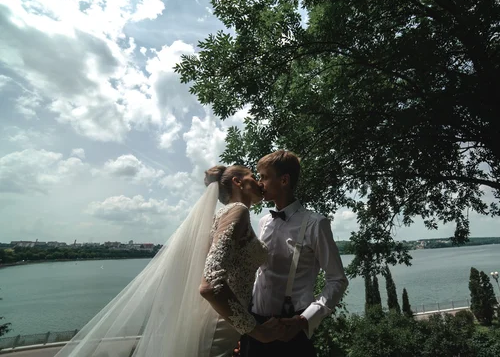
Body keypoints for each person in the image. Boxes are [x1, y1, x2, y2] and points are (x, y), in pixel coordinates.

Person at [54, 164, 284, 357]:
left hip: (224, 324)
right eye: (254, 177)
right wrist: (257, 331)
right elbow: (210, 284)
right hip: (219, 325)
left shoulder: (223, 216)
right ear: (237, 182)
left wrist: (241, 329)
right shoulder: (238, 212)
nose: (260, 183)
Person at [242, 150, 349, 357]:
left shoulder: (315, 223)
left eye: (264, 176)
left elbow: (337, 280)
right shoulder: (264, 222)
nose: (259, 183)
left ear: (284, 180)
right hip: (255, 328)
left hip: (290, 331)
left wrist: (304, 320)